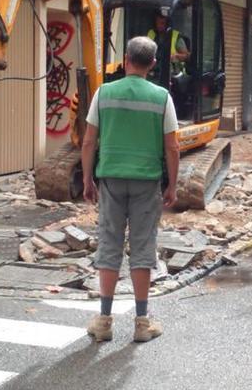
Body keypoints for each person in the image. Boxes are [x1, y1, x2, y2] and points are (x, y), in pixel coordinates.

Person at [81, 36, 179, 343]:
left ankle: (104, 321)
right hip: (146, 183)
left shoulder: (104, 93)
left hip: (110, 180)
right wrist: (173, 185)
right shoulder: (162, 97)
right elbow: (173, 147)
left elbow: (88, 141)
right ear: (152, 63)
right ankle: (141, 323)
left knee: (109, 246)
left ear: (125, 60)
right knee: (142, 249)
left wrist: (87, 179)